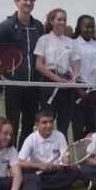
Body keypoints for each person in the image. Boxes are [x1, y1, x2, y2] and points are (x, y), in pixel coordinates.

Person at [0, 0, 44, 149]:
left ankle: (23, 156)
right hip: (13, 86)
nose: (28, 3)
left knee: (29, 123)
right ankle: (11, 157)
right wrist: (1, 75)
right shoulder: (5, 27)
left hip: (33, 85)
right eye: (25, 0)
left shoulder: (38, 27)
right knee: (12, 124)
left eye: (31, 0)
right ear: (17, 2)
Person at [34, 8, 75, 139]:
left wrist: (73, 79)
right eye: (59, 19)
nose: (62, 22)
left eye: (64, 19)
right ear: (51, 21)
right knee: (47, 122)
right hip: (49, 86)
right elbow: (39, 65)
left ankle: (63, 155)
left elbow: (75, 64)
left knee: (64, 124)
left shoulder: (70, 42)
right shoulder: (43, 40)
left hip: (66, 87)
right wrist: (56, 79)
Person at [18, 109, 82, 190]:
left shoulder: (60, 135)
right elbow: (19, 162)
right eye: (44, 122)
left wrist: (61, 164)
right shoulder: (30, 139)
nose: (49, 125)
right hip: (37, 171)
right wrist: (39, 166)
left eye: (51, 122)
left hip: (55, 171)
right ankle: (58, 185)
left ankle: (40, 186)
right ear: (37, 124)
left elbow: (65, 158)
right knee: (26, 174)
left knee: (75, 171)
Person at [71, 15, 96, 140]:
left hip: (95, 92)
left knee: (94, 129)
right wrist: (78, 89)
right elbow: (70, 70)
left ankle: (91, 157)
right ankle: (77, 157)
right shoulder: (72, 43)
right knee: (78, 128)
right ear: (79, 27)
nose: (90, 29)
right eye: (87, 26)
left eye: (92, 27)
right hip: (78, 92)